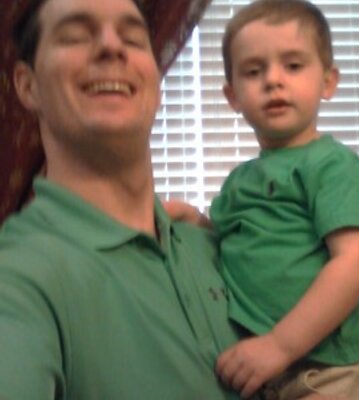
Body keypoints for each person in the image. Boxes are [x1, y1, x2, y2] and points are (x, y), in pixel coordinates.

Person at [0, 0, 246, 399]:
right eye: (76, 36)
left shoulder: (218, 244)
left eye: (133, 38)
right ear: (28, 86)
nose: (112, 46)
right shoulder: (17, 277)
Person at [164, 0, 359, 399]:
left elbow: (356, 261)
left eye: (292, 65)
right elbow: (232, 246)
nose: (273, 80)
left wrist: (279, 345)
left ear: (328, 82)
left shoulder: (335, 167)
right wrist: (194, 221)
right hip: (273, 376)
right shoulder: (240, 181)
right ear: (233, 96)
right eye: (253, 71)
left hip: (339, 372)